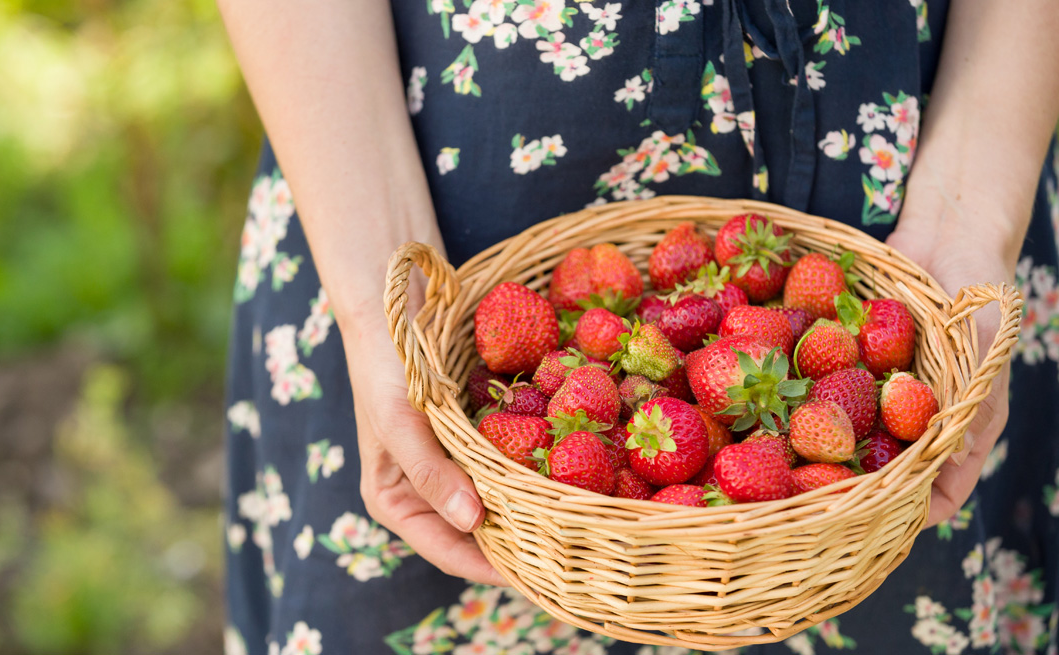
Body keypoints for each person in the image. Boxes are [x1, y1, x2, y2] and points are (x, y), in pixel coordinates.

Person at [216, 1, 1059, 653]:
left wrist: (969, 215)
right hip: (402, 190)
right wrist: (383, 298)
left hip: (935, 192)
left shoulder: (876, 330)